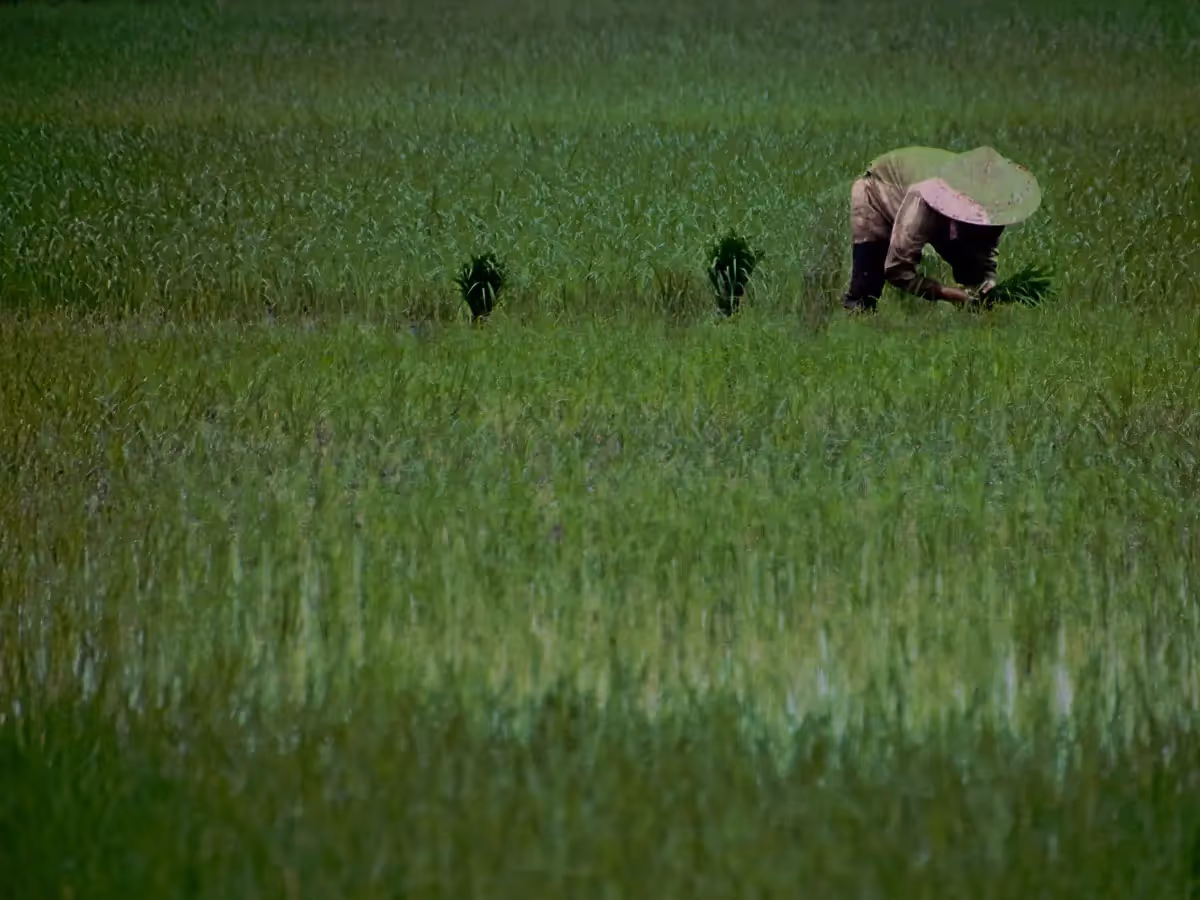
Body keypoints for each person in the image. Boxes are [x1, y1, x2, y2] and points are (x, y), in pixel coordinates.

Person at [841, 145, 1042, 312]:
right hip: (876, 190)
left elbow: (986, 251)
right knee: (866, 283)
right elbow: (897, 269)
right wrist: (946, 293)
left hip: (939, 211)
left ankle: (976, 318)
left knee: (972, 269)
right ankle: (860, 317)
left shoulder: (989, 197)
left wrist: (987, 281)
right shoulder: (923, 200)